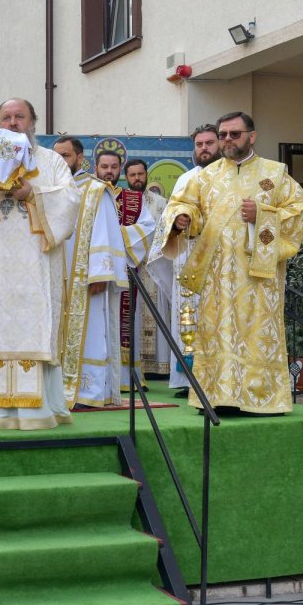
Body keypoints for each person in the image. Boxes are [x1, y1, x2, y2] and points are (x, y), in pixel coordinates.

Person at [151, 112, 303, 414]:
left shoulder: (275, 174)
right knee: (216, 332)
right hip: (216, 276)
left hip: (257, 277)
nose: (227, 140)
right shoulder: (204, 177)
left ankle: (259, 397)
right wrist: (183, 219)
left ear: (251, 136)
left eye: (234, 134)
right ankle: (216, 395)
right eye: (223, 134)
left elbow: (299, 211)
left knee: (255, 333)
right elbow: (182, 205)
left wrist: (263, 215)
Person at [0, 98, 80, 430]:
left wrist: (31, 194)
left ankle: (40, 410)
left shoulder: (51, 160)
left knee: (36, 324)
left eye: (19, 117)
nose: (12, 123)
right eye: (6, 118)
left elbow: (68, 203)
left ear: (32, 122)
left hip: (36, 265)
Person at [60, 150, 128, 408]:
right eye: (56, 155)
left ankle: (89, 392)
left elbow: (106, 231)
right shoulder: (52, 187)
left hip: (85, 278)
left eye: (65, 155)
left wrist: (100, 273)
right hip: (56, 277)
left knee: (91, 332)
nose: (60, 160)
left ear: (79, 158)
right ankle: (57, 391)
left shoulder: (96, 190)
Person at [164, 124, 220, 395]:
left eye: (209, 143)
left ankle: (217, 379)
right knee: (188, 318)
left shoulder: (229, 179)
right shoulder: (185, 180)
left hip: (221, 261)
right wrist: (176, 221)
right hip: (188, 260)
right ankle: (188, 380)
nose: (204, 148)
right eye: (199, 144)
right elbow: (168, 215)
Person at [121, 157, 170, 379]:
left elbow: (165, 234)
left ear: (147, 174)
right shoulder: (121, 203)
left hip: (153, 266)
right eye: (132, 175)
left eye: (141, 174)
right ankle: (134, 363)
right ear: (127, 177)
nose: (137, 178)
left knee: (156, 312)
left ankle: (157, 367)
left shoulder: (161, 203)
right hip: (131, 266)